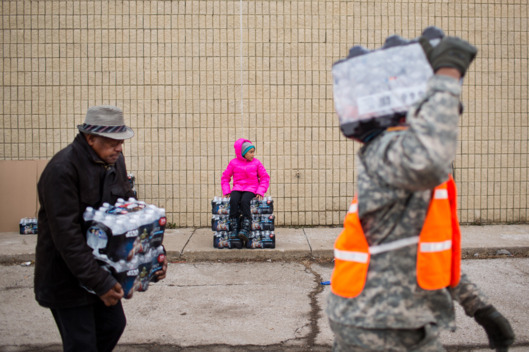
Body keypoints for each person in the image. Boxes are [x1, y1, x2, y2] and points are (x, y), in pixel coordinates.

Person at [327, 35, 515, 351]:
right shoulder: (389, 152)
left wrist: (479, 307)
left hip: (397, 318)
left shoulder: (408, 161)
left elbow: (429, 254)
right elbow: (429, 157)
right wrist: (447, 75)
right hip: (375, 323)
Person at [34, 105, 168, 352]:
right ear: (90, 138)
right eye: (113, 141)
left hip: (102, 268)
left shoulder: (114, 161)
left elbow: (131, 211)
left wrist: (154, 256)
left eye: (121, 141)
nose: (120, 147)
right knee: (82, 343)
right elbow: (67, 238)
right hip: (68, 276)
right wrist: (100, 283)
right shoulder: (62, 170)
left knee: (112, 326)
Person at [221, 138, 270, 244]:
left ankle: (245, 229)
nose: (253, 154)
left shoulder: (256, 163)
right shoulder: (233, 163)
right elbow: (225, 177)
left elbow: (265, 177)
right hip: (238, 187)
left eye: (253, 152)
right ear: (243, 153)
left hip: (251, 188)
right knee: (234, 200)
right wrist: (226, 191)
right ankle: (235, 227)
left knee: (244, 201)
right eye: (250, 152)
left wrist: (260, 191)